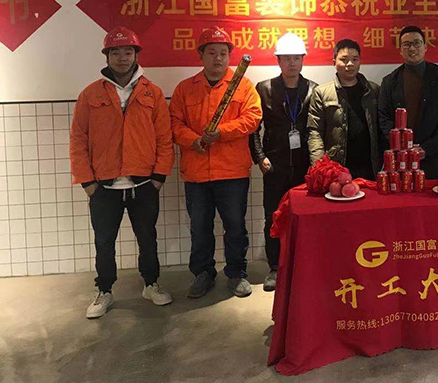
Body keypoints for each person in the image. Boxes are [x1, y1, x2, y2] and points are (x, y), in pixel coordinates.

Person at [70, 26, 174, 319]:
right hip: (104, 186)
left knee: (147, 238)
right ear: (107, 56)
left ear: (136, 55)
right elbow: (78, 139)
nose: (122, 58)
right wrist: (87, 182)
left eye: (128, 52)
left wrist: (158, 178)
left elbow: (164, 138)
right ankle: (104, 290)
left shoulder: (152, 92)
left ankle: (151, 284)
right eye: (116, 52)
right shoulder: (90, 94)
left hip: (143, 183)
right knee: (104, 242)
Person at [169, 28, 262, 298]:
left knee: (235, 226)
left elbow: (252, 118)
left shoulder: (244, 86)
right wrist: (194, 140)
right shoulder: (185, 88)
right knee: (200, 228)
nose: (218, 58)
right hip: (197, 172)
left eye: (223, 53)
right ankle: (203, 273)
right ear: (201, 55)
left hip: (232, 172)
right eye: (212, 53)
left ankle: (236, 273)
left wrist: (222, 132)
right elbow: (174, 123)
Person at [250, 33, 317, 292]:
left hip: (304, 166)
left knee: (303, 217)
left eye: (296, 58)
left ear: (302, 61)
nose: (292, 63)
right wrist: (260, 157)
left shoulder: (313, 89)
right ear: (278, 61)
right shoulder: (264, 88)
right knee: (273, 218)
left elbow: (317, 129)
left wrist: (317, 163)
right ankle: (275, 268)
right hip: (274, 165)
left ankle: (302, 265)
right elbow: (254, 129)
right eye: (287, 58)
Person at [378, 26, 438, 178]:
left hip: (435, 154)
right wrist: (400, 146)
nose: (412, 48)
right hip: (401, 157)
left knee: (435, 192)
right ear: (400, 50)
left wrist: (428, 147)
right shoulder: (389, 81)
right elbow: (384, 117)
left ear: (425, 47)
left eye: (416, 43)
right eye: (406, 44)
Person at [307, 39, 381, 179]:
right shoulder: (321, 92)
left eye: (355, 59)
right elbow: (315, 132)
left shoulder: (373, 90)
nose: (350, 64)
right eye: (344, 59)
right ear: (333, 62)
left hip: (370, 166)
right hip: (337, 166)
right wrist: (319, 166)